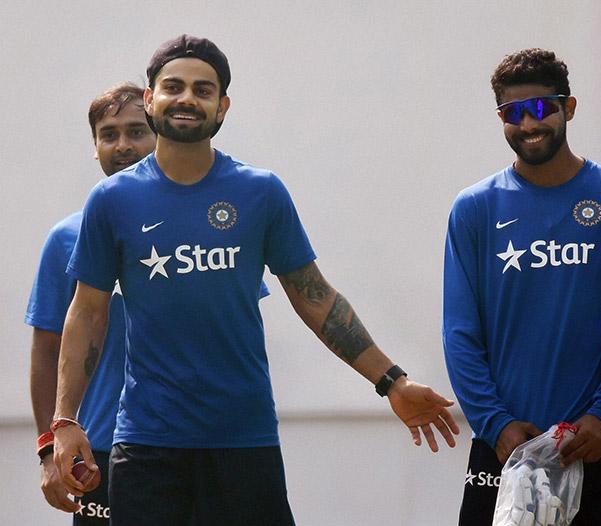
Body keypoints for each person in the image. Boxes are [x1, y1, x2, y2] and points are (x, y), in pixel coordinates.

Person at [51, 35, 460, 526]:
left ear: (222, 107)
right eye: (173, 86)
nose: (186, 98)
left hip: (244, 442)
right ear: (149, 98)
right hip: (147, 446)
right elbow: (87, 312)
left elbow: (316, 298)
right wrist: (64, 421)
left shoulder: (260, 192)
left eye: (203, 90)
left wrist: (391, 381)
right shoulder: (112, 201)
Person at [442, 48, 601, 525]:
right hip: (507, 449)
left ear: (570, 107)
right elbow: (459, 333)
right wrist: (494, 423)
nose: (528, 123)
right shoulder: (474, 208)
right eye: (512, 113)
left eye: (541, 108)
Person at [26, 83, 156, 524]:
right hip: (99, 451)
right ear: (95, 147)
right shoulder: (66, 238)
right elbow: (46, 350)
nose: (123, 145)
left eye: (136, 131)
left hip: (193, 442)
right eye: (109, 134)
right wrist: (49, 448)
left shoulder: (199, 227)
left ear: (160, 133)